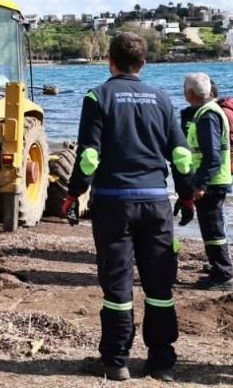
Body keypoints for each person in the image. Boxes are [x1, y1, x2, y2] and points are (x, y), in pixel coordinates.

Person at [61, 33, 195, 382]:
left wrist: (74, 193)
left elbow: (89, 155)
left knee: (118, 284)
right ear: (143, 63)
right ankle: (162, 360)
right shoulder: (162, 98)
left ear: (110, 60)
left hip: (113, 205)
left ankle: (115, 360)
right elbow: (180, 155)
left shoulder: (98, 96)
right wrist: (186, 195)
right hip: (155, 203)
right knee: (160, 285)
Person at [182, 72, 233, 291]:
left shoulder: (207, 115)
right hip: (211, 180)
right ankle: (218, 270)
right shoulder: (203, 112)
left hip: (212, 182)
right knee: (210, 229)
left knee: (213, 230)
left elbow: (212, 156)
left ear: (191, 93)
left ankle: (223, 275)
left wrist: (200, 185)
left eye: (185, 90)